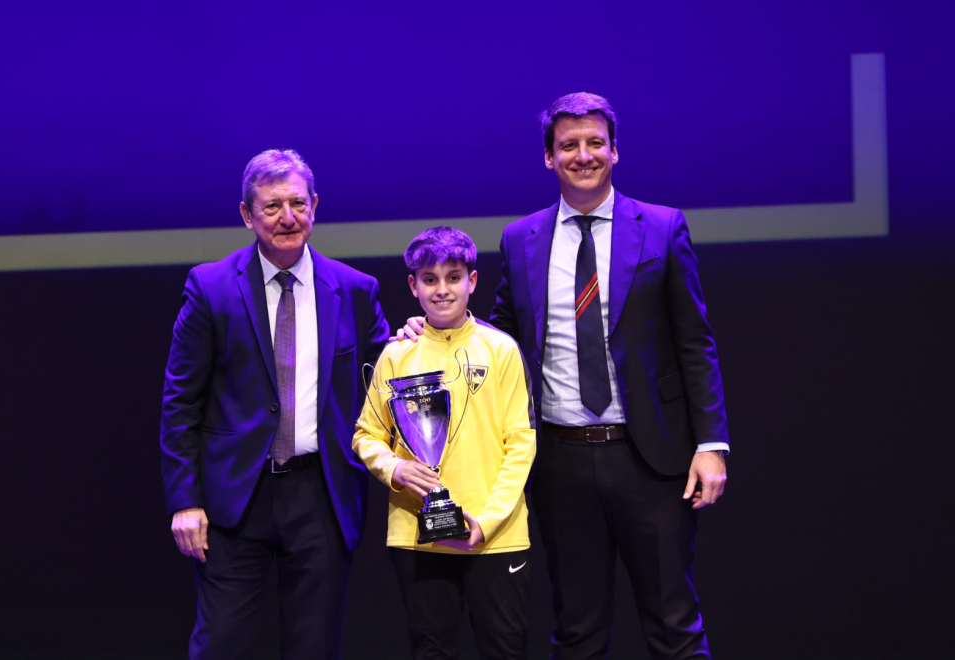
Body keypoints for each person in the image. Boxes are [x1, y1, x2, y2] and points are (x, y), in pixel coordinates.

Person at [403, 93, 729, 659]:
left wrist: (712, 444)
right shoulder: (520, 238)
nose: (584, 155)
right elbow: (498, 334)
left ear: (615, 151)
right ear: (549, 159)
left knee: (675, 626)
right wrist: (432, 328)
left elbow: (695, 343)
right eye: (569, 145)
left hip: (651, 458)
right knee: (577, 630)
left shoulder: (661, 227)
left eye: (595, 143)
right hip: (559, 460)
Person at [160, 149, 390, 659]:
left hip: (322, 493)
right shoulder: (211, 287)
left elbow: (390, 380)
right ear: (247, 214)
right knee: (221, 645)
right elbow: (180, 403)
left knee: (314, 648)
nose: (288, 217)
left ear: (314, 205)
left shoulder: (354, 290)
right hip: (234, 498)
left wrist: (420, 337)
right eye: (271, 207)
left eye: (297, 203)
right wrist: (184, 499)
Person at [354, 227, 536, 660]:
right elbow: (366, 434)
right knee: (432, 650)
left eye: (453, 277)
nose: (442, 290)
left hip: (496, 536)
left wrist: (487, 521)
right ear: (413, 286)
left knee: (505, 649)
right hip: (419, 536)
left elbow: (521, 443)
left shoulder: (501, 350)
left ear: (472, 281)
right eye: (430, 279)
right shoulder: (397, 354)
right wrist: (393, 468)